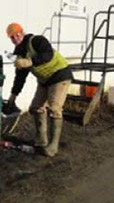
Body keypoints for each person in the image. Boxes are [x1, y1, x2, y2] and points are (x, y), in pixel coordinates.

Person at [6, 22, 73, 157]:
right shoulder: (18, 52)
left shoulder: (36, 40)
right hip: (45, 80)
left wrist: (30, 61)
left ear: (22, 33)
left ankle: (53, 146)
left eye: (16, 35)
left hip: (60, 74)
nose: (15, 39)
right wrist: (14, 94)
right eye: (12, 37)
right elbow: (20, 75)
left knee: (54, 108)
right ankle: (41, 140)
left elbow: (47, 54)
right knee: (36, 107)